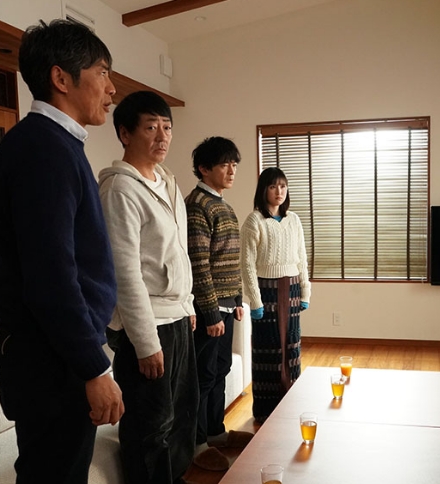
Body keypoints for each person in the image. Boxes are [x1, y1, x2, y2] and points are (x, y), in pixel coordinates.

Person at [0, 20, 123, 484]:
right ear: (61, 78)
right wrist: (93, 366)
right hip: (50, 361)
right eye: (102, 72)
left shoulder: (55, 144)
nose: (111, 87)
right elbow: (51, 277)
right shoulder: (43, 149)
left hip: (55, 354)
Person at [98, 91, 199, 484]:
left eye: (167, 127)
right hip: (149, 325)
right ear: (125, 133)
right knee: (150, 425)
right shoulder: (119, 189)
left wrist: (188, 305)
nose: (162, 136)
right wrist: (145, 343)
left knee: (182, 415)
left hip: (177, 316)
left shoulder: (168, 181)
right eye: (151, 127)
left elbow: (178, 252)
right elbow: (125, 272)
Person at [185, 136, 253, 471]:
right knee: (204, 375)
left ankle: (216, 431)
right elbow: (199, 263)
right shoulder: (197, 204)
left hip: (227, 306)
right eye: (225, 164)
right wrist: (211, 312)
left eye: (234, 164)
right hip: (207, 309)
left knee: (221, 368)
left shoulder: (223, 204)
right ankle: (197, 444)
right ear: (204, 168)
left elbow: (230, 259)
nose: (232, 170)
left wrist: (237, 299)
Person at [240, 167, 311, 423]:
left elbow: (301, 257)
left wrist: (305, 290)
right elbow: (247, 264)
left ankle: (290, 404)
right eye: (273, 186)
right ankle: (265, 410)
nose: (279, 191)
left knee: (291, 347)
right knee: (267, 349)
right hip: (266, 291)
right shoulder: (254, 221)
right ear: (263, 190)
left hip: (291, 288)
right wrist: (255, 300)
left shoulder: (294, 220)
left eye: (283, 186)